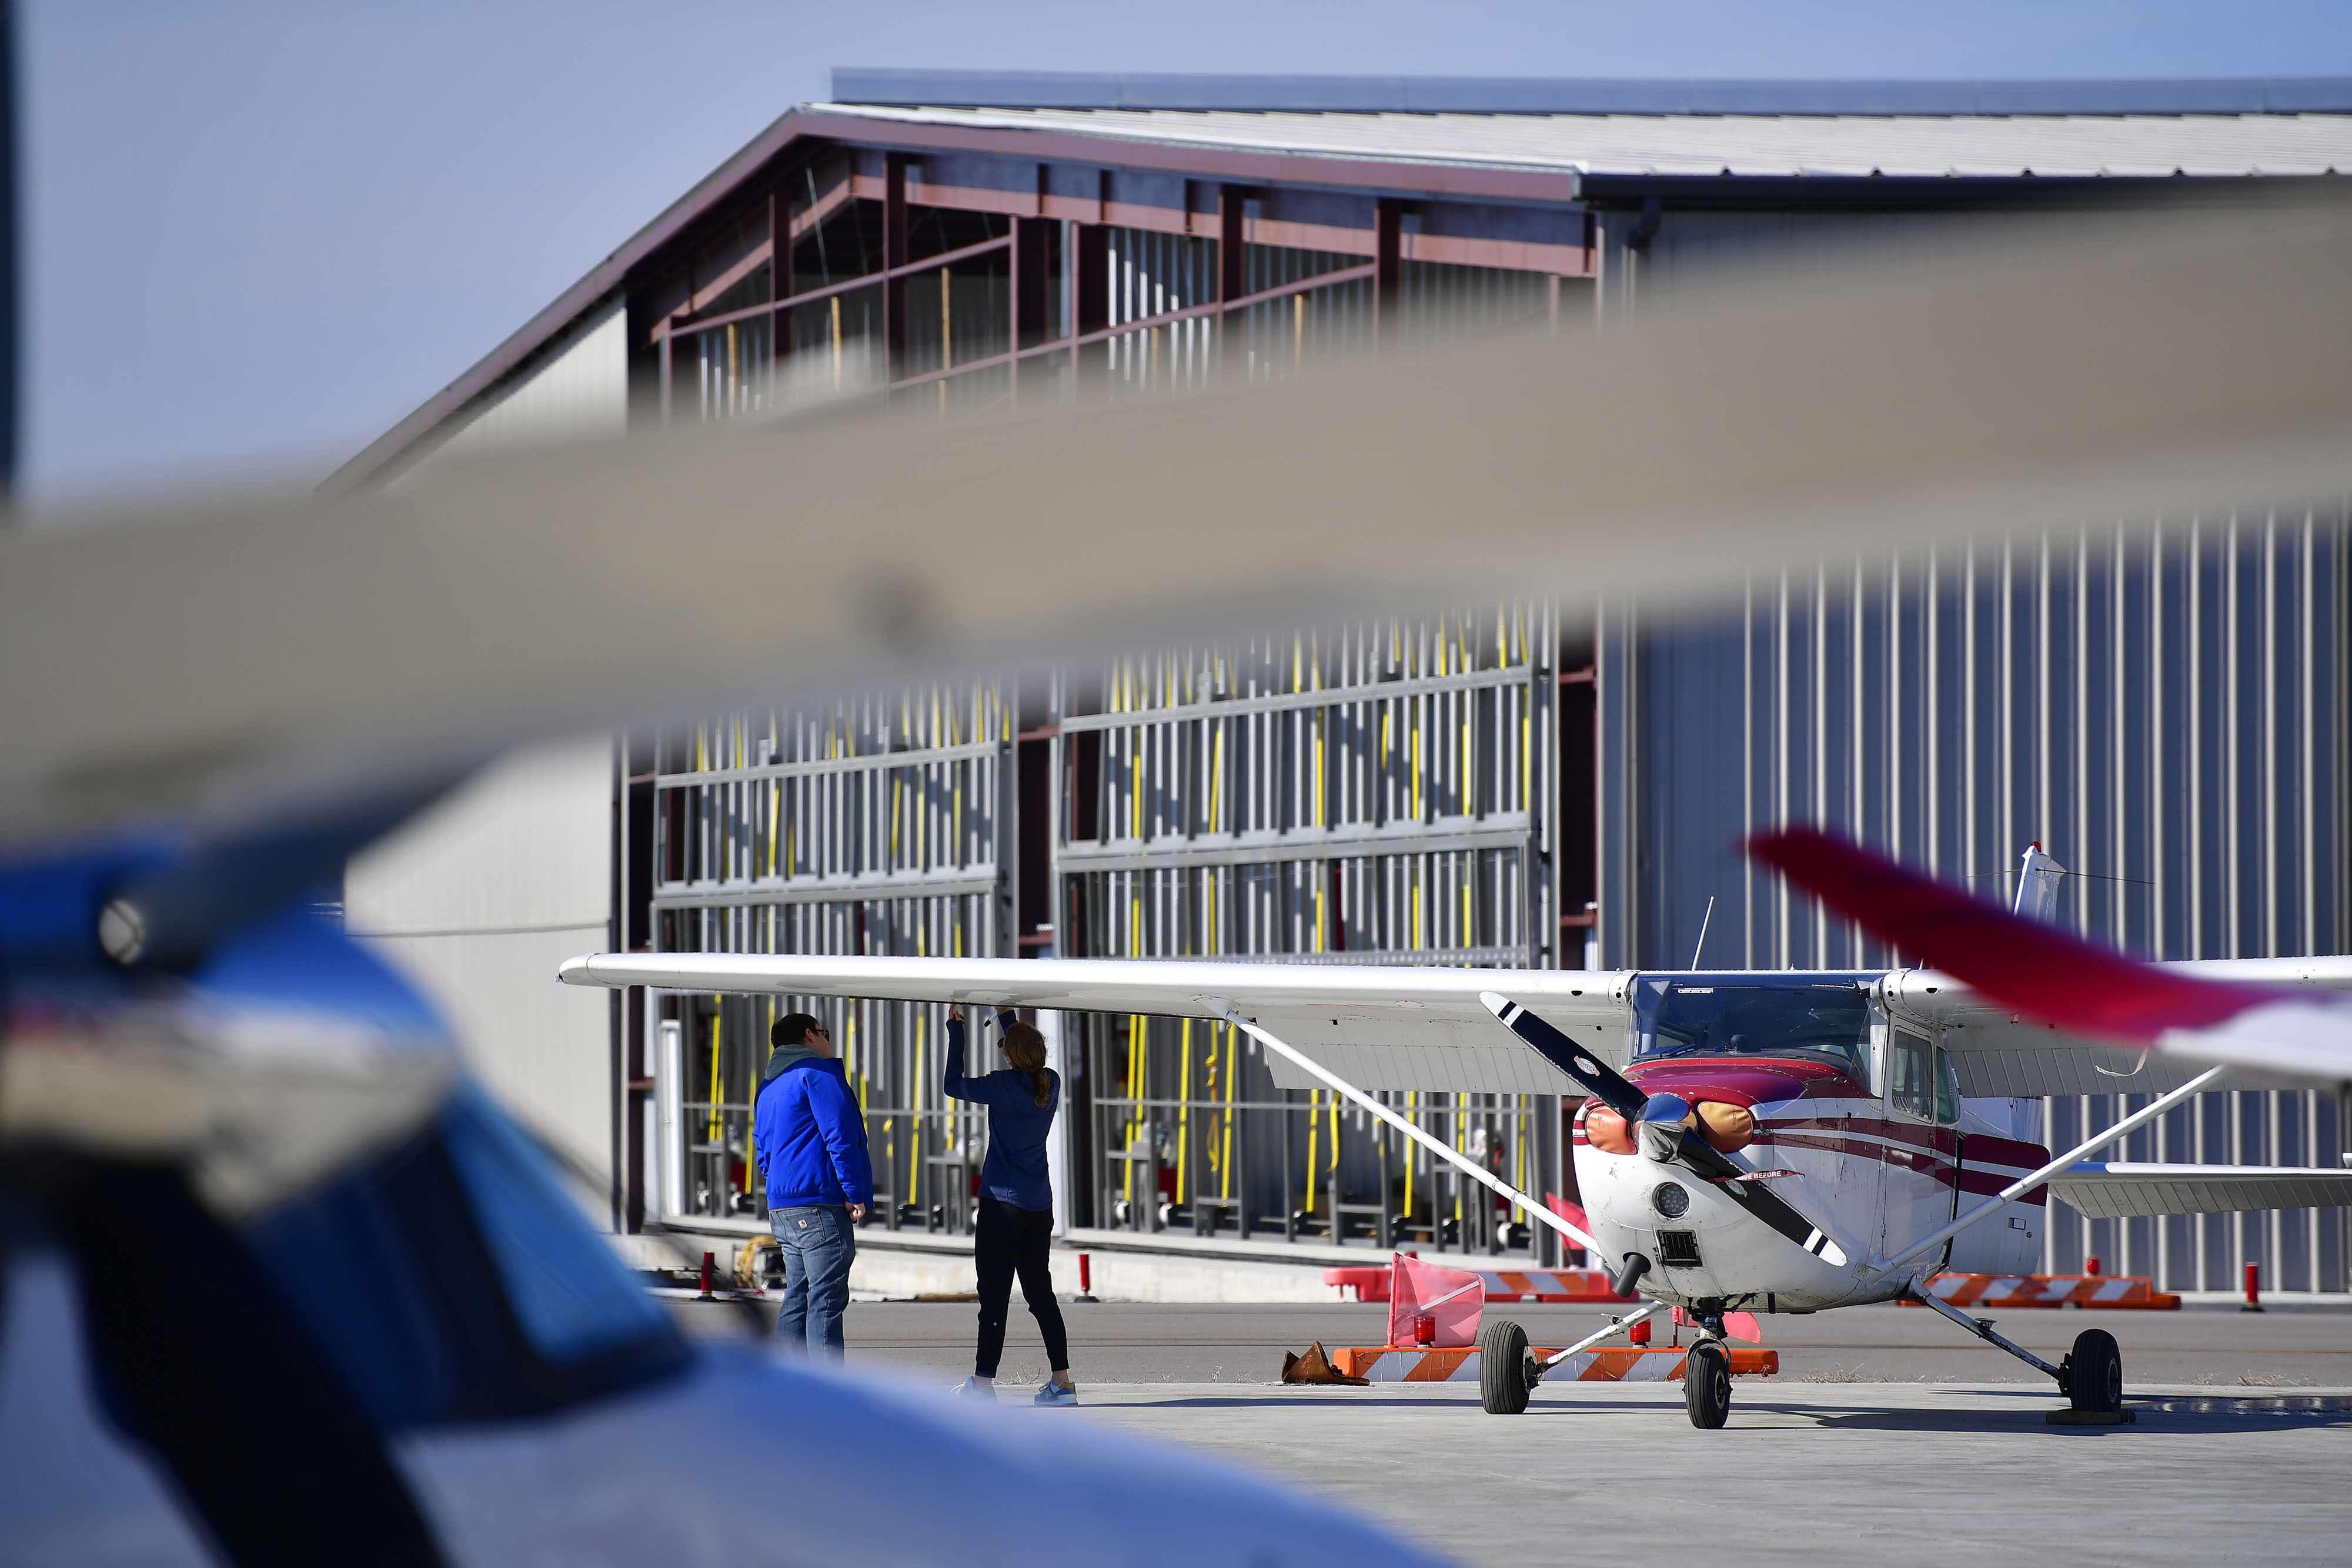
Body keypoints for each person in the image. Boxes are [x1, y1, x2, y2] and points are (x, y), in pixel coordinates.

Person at [944, 1005, 1074, 1405]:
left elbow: (953, 1084)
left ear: (1009, 1055)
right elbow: (1023, 1053)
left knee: (995, 1298)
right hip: (1039, 1206)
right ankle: (1063, 1383)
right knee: (1042, 1295)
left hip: (1001, 1206)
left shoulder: (1001, 1086)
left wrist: (957, 1030)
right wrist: (1007, 1016)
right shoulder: (1050, 1082)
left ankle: (983, 1385)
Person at [752, 1011, 871, 1360]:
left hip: (783, 1205)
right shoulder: (818, 1075)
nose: (827, 1040)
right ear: (809, 1035)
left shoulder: (769, 1085)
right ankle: (828, 1394)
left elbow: (763, 1150)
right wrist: (854, 1192)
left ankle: (791, 1389)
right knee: (826, 1300)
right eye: (824, 1033)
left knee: (798, 1296)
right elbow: (842, 1138)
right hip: (820, 1204)